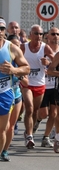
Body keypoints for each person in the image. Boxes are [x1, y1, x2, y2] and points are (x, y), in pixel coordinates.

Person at [0, 18, 30, 160]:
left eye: (1, 29)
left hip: (6, 92)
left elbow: (27, 68)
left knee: (5, 128)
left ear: (5, 31)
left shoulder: (11, 48)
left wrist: (13, 69)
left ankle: (3, 151)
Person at [20, 24, 54, 149]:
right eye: (36, 33)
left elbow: (57, 62)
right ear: (30, 35)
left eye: (40, 34)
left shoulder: (45, 48)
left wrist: (48, 63)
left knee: (35, 111)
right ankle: (29, 136)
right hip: (27, 83)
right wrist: (20, 72)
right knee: (29, 108)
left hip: (40, 83)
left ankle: (29, 132)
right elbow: (15, 59)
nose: (39, 36)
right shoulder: (23, 47)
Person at [35, 27, 59, 148]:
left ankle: (45, 137)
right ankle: (37, 121)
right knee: (43, 113)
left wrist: (50, 65)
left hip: (56, 86)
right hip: (43, 85)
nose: (55, 36)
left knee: (54, 113)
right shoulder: (42, 49)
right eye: (53, 34)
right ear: (48, 36)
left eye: (58, 34)